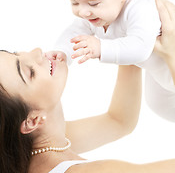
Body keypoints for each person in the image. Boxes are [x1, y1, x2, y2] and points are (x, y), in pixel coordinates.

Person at [47, 0, 175, 122]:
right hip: (160, 71)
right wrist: (62, 52)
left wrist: (101, 48)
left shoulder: (140, 8)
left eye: (93, 3)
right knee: (157, 103)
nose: (83, 12)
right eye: (74, 2)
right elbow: (75, 32)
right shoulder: (98, 12)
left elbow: (140, 47)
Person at [1, 47, 175, 173]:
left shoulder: (28, 148)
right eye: (29, 72)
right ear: (32, 121)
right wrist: (171, 50)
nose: (36, 52)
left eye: (16, 53)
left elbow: (119, 121)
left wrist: (129, 47)